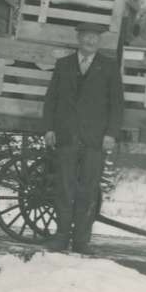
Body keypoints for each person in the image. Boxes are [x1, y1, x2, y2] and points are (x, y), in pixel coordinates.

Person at [41, 22, 125, 253]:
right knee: (64, 188)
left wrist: (111, 134)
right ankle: (60, 237)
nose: (90, 41)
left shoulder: (108, 67)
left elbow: (117, 105)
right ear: (79, 38)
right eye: (86, 37)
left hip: (95, 140)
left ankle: (81, 241)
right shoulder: (64, 65)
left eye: (94, 38)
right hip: (67, 136)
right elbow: (51, 100)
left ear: (99, 41)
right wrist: (49, 129)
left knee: (88, 190)